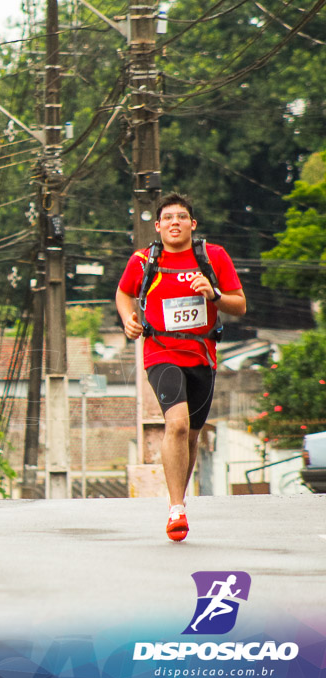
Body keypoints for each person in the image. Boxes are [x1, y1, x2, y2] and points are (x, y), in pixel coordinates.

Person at [116, 192, 245, 542]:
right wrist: (128, 318)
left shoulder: (212, 257)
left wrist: (214, 294)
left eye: (182, 217)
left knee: (190, 436)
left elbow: (240, 305)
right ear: (157, 226)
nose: (175, 222)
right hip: (161, 353)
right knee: (176, 424)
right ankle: (176, 508)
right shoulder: (144, 261)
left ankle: (180, 498)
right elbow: (124, 292)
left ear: (193, 224)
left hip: (202, 356)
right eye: (168, 218)